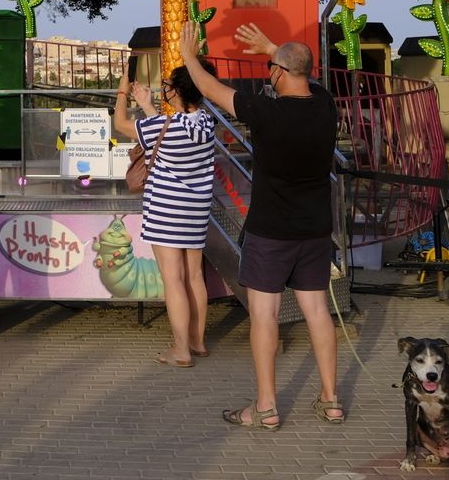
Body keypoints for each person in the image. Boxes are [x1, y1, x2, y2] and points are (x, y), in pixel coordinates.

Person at [178, 21, 343, 430]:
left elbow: (210, 89)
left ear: (278, 73)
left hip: (271, 230)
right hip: (315, 228)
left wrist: (187, 58)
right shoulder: (325, 105)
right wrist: (275, 48)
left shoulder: (266, 110)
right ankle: (331, 399)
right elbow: (305, 74)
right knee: (318, 310)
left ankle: (266, 406)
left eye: (273, 68)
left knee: (264, 314)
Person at [113, 58, 217, 368]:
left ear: (176, 92)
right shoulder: (206, 123)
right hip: (196, 210)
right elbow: (167, 128)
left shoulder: (162, 125)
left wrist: (124, 93)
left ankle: (181, 350)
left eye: (168, 87)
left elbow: (120, 125)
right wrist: (148, 108)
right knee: (195, 276)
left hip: (165, 210)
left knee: (173, 280)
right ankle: (197, 341)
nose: (165, 91)